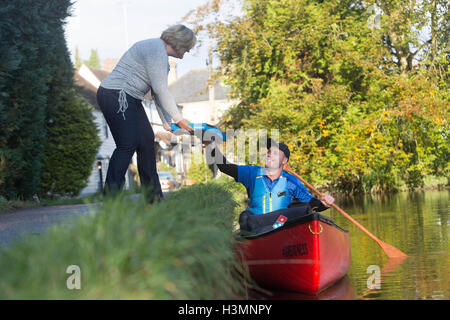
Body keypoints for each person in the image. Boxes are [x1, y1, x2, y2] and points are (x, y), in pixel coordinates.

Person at [96, 25, 195, 201]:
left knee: (146, 141)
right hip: (116, 94)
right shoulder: (155, 49)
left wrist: (166, 122)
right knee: (127, 144)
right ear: (180, 43)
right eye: (187, 48)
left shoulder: (162, 58)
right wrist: (178, 118)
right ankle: (110, 201)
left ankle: (154, 199)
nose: (187, 52)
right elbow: (161, 89)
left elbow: (157, 93)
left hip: (130, 98)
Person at [208, 138, 335, 230]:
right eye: (269, 151)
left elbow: (313, 205)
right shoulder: (252, 173)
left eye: (275, 152)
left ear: (284, 160)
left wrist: (324, 204)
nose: (269, 153)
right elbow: (225, 167)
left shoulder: (291, 181)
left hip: (280, 226)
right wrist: (212, 145)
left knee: (303, 210)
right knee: (245, 216)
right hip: (255, 226)